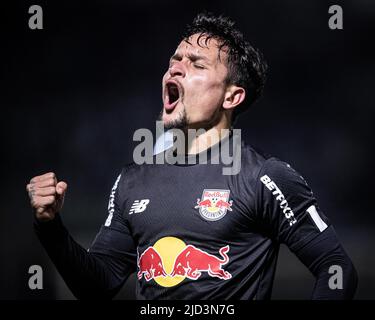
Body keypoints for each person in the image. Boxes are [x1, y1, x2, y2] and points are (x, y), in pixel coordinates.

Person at [26, 12, 357, 299]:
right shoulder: (132, 180)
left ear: (232, 96)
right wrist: (51, 226)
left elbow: (336, 268)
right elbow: (95, 286)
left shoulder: (264, 177)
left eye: (196, 63)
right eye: (174, 60)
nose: (175, 69)